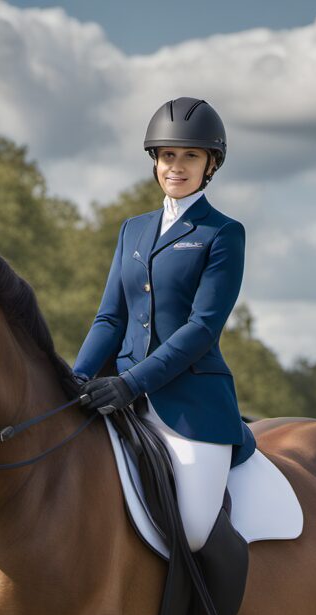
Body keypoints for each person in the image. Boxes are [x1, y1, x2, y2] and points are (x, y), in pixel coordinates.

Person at [73, 96, 255, 555]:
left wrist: (131, 383)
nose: (177, 166)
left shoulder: (222, 233)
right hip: (117, 400)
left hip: (191, 407)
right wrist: (75, 379)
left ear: (211, 164)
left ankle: (214, 609)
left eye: (190, 156)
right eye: (168, 155)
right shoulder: (133, 229)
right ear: (155, 160)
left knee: (191, 531)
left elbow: (202, 328)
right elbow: (110, 317)